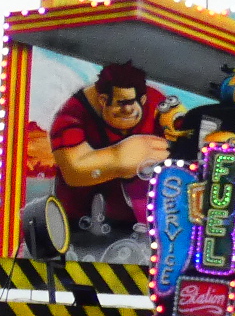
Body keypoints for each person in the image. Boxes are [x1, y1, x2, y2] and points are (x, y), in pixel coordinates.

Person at [48, 61, 182, 238]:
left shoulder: (157, 104)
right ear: (103, 100)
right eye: (121, 103)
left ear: (142, 99)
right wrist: (119, 157)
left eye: (132, 102)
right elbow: (73, 171)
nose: (127, 110)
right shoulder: (72, 114)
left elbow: (183, 137)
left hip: (142, 227)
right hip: (78, 226)